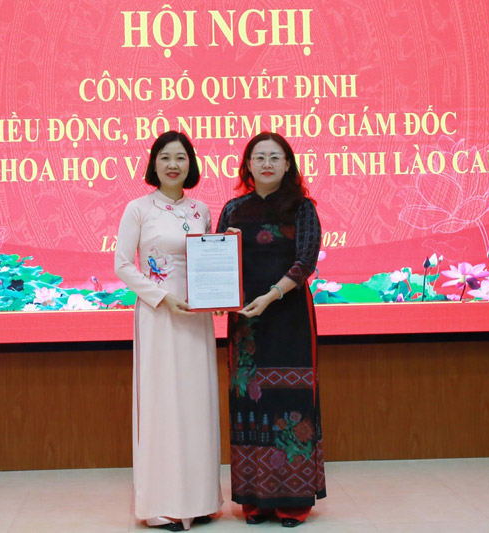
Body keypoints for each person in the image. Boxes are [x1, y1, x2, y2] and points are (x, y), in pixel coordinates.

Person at [216, 132, 326, 528]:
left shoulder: (302, 208)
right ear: (247, 165)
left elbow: (304, 263)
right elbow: (217, 260)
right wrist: (218, 296)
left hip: (290, 316)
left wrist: (270, 296)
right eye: (258, 157)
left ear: (287, 165)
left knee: (290, 402)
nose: (266, 164)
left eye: (274, 157)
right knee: (250, 406)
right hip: (246, 323)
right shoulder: (233, 209)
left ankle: (292, 502)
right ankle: (256, 501)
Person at [114, 131, 221, 531]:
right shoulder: (138, 209)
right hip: (159, 314)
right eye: (165, 157)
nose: (173, 164)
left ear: (191, 164)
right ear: (153, 164)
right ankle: (162, 503)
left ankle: (202, 498)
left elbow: (211, 260)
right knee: (163, 404)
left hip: (196, 315)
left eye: (181, 157)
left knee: (197, 401)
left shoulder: (202, 210)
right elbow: (123, 265)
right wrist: (160, 297)